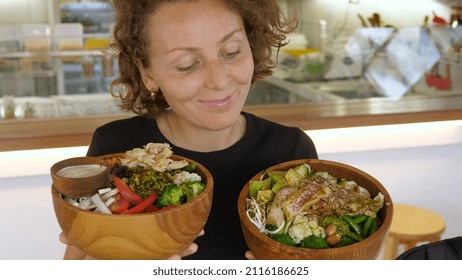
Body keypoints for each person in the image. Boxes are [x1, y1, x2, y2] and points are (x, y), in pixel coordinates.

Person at [61, 0, 318, 260]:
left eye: (231, 52)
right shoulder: (114, 147)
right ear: (147, 73)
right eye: (187, 65)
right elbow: (79, 257)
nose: (219, 81)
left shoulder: (291, 150)